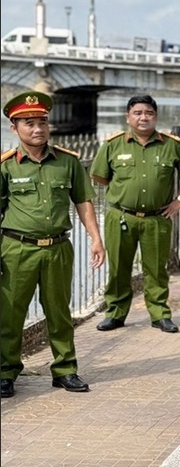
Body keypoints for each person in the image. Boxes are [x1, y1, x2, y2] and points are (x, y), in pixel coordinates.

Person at [1, 92, 105, 398]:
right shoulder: (6, 167)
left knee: (59, 311)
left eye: (42, 122)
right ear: (14, 128)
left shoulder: (68, 163)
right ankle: (6, 373)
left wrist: (96, 238)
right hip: (16, 249)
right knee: (9, 312)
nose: (37, 129)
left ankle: (64, 370)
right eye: (29, 123)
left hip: (58, 248)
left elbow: (84, 201)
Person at [91, 95, 180, 334]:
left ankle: (159, 314)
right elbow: (99, 176)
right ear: (128, 117)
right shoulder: (113, 144)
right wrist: (125, 192)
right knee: (118, 268)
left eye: (148, 113)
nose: (143, 117)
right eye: (137, 113)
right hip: (121, 217)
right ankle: (116, 313)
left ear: (156, 117)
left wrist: (179, 200)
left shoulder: (171, 145)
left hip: (157, 218)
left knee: (156, 269)